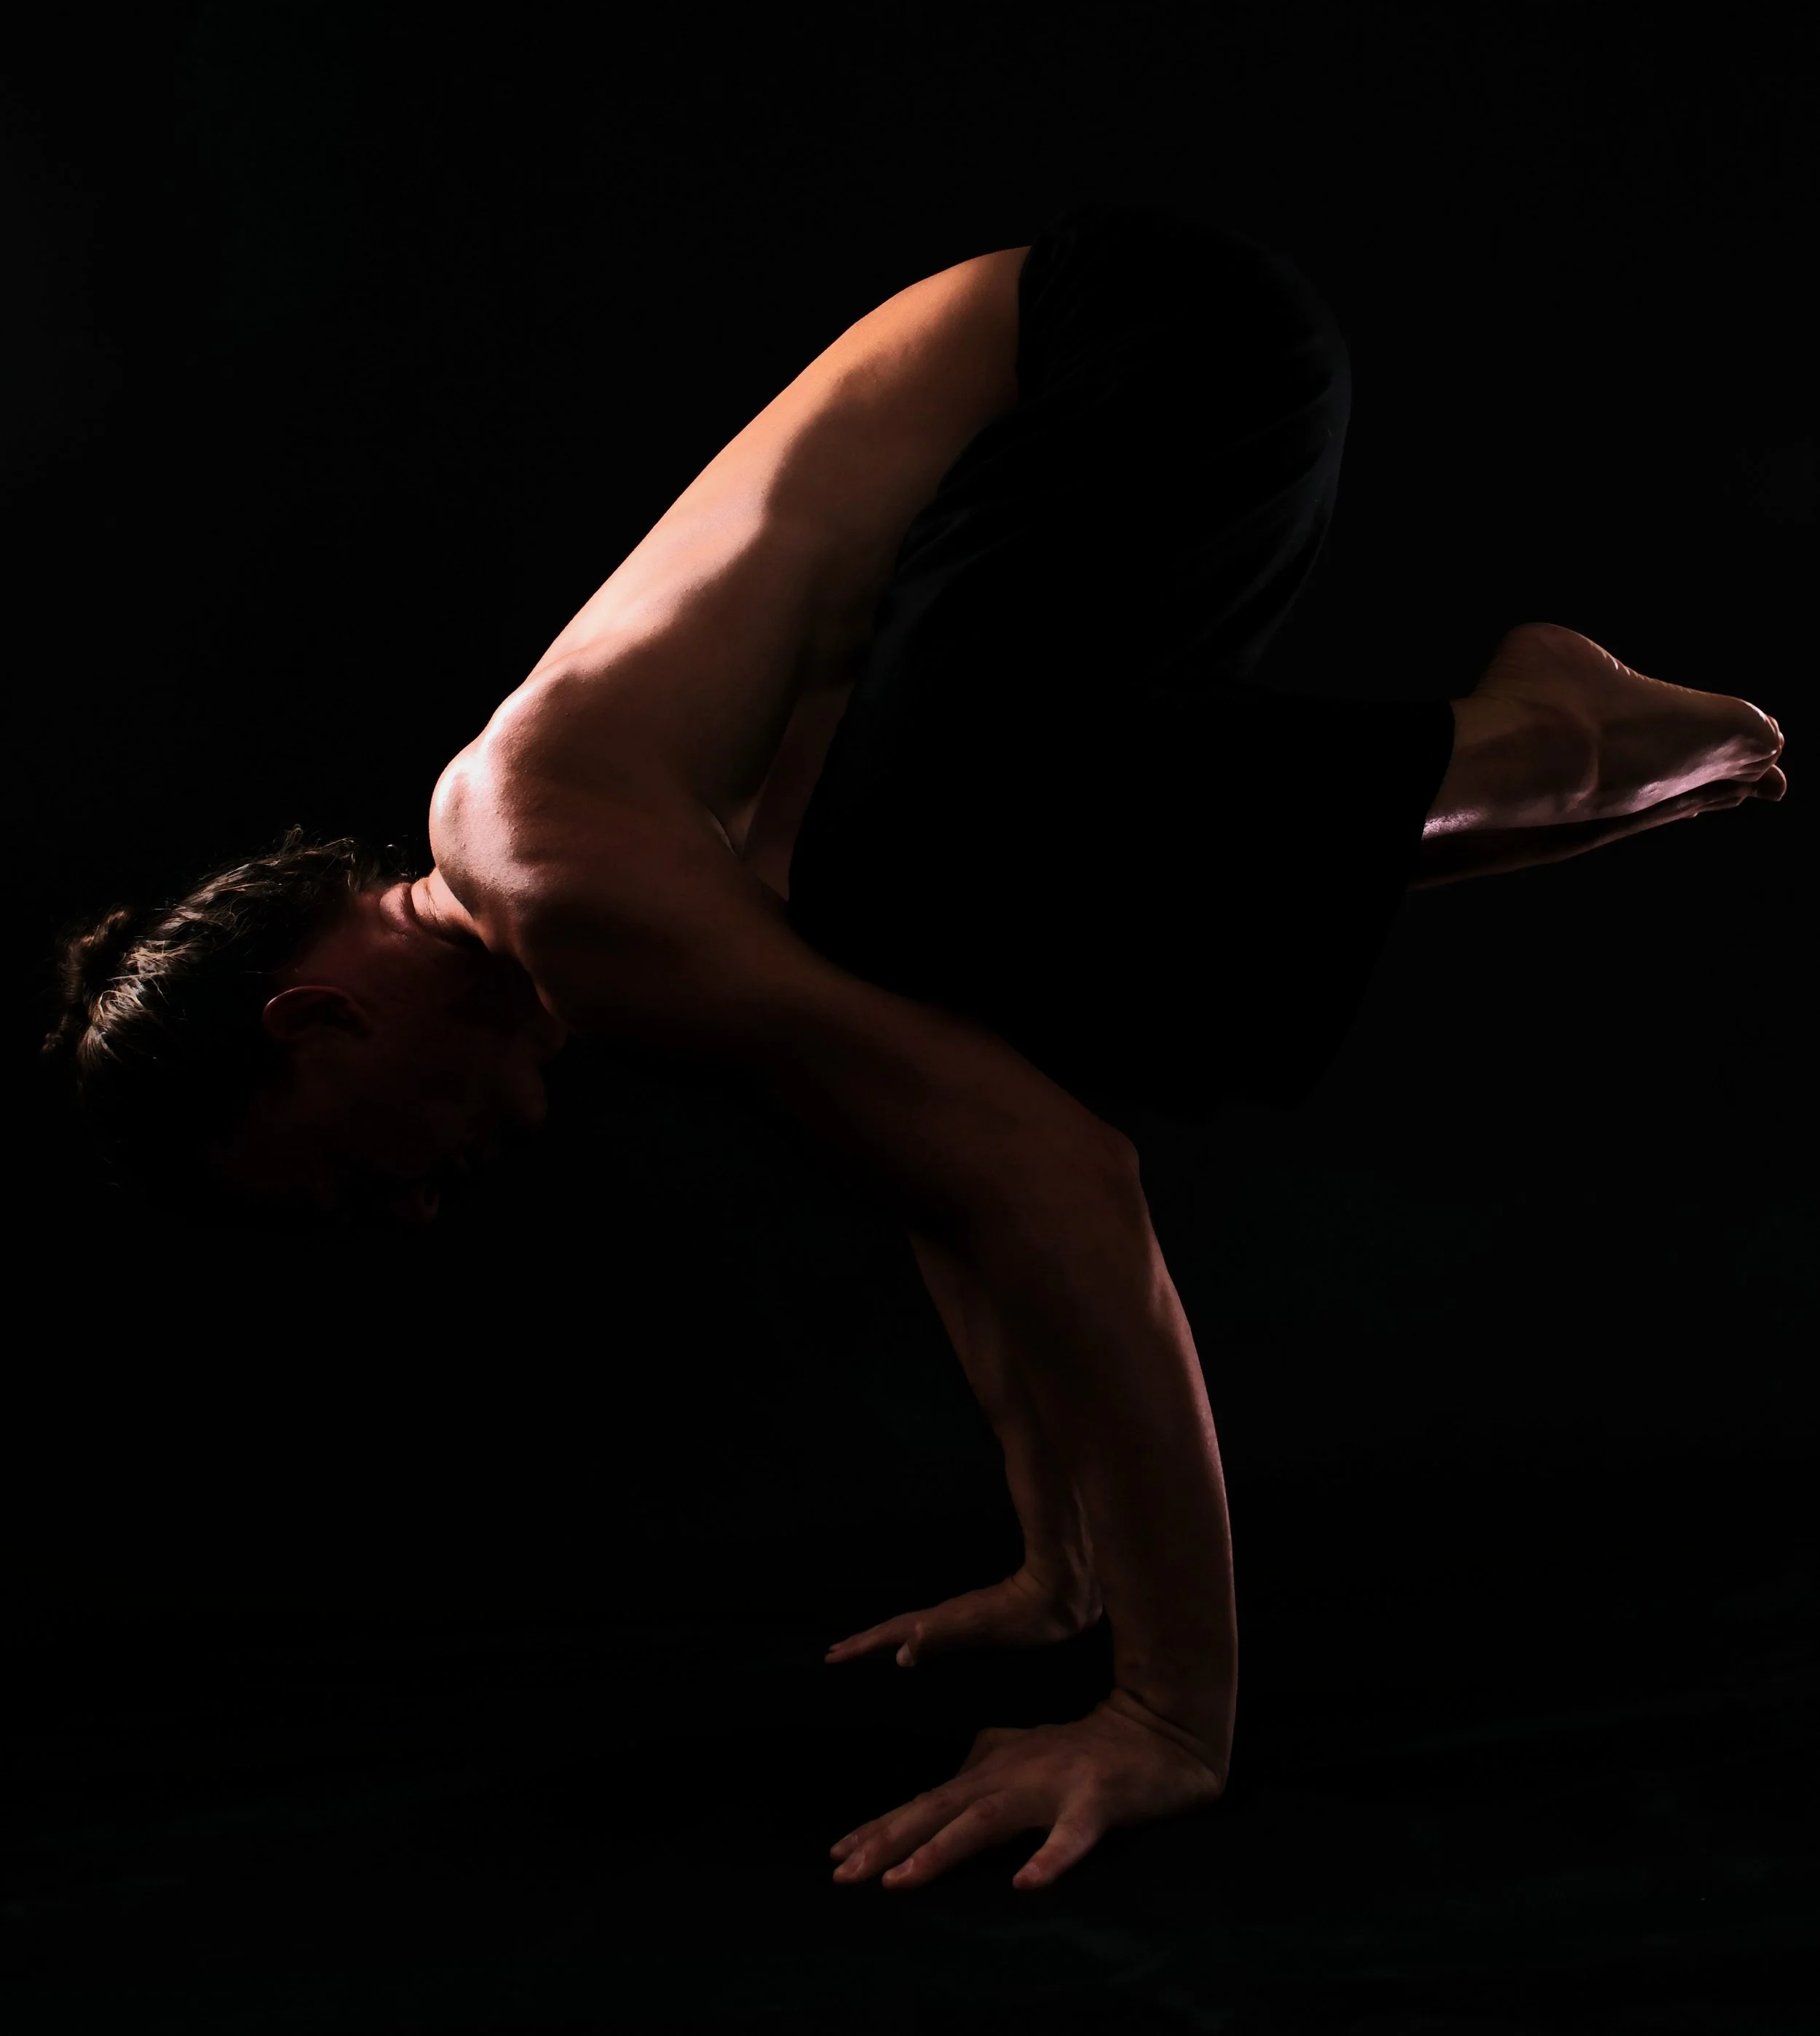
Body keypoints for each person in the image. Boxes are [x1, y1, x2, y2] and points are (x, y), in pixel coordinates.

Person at [44, 204, 1786, 1892]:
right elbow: (934, 1160)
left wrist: (1162, 1710)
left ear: (318, 1014)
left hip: (1138, 344)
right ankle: (1556, 743)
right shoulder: (608, 865)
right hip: (1132, 377)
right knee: (927, 913)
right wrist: (1055, 1556)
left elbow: (1053, 1176)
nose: (414, 1211)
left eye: (354, 1176)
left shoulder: (553, 874)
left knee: (941, 868)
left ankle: (1548, 738)